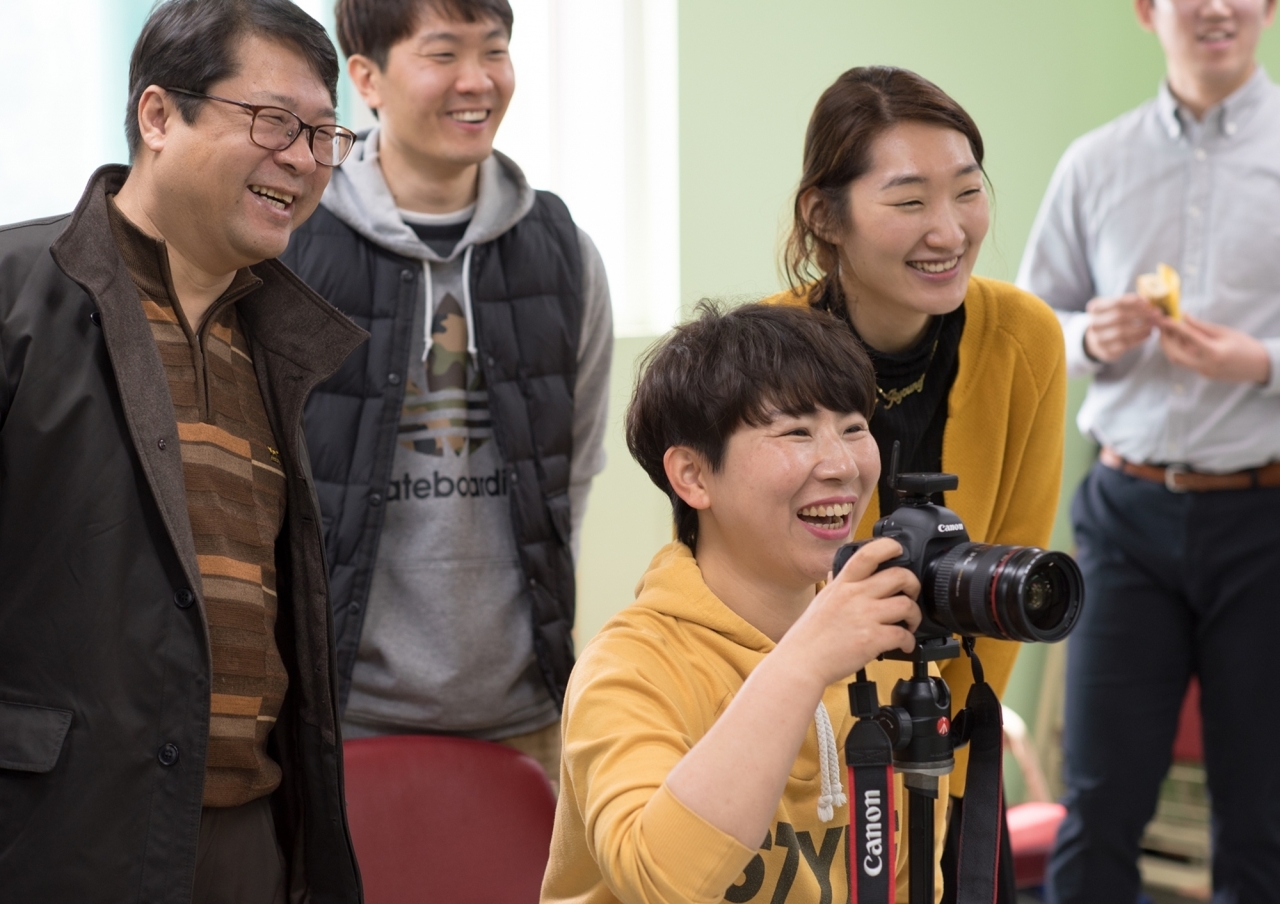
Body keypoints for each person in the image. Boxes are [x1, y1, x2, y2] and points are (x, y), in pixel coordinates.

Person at [0, 1, 365, 901]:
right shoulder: (15, 296)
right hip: (53, 836)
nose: (302, 159)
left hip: (249, 839)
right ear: (158, 116)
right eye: (274, 122)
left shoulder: (281, 341)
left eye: (324, 136)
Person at [280, 0, 612, 784]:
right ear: (367, 78)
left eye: (494, 50)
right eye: (443, 54)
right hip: (339, 719)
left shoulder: (563, 253)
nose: (478, 81)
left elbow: (575, 473)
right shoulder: (295, 248)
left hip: (530, 717)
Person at [768, 66, 1067, 897]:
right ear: (823, 215)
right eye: (909, 202)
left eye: (967, 192)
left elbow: (1004, 582)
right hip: (803, 758)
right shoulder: (761, 354)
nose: (950, 229)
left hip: (954, 745)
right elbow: (737, 590)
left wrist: (944, 741)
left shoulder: (1025, 338)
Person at [1017, 1, 1280, 900]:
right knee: (1099, 807)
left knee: (1264, 818)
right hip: (1124, 519)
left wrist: (1262, 363)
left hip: (1266, 520)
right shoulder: (1095, 163)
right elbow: (1027, 333)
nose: (1216, 7)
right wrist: (1094, 336)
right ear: (1146, 10)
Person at [541, 301, 926, 904]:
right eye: (796, 432)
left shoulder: (875, 643)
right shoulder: (629, 667)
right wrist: (803, 662)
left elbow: (908, 883)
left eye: (854, 427)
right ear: (692, 477)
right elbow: (658, 879)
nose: (844, 465)